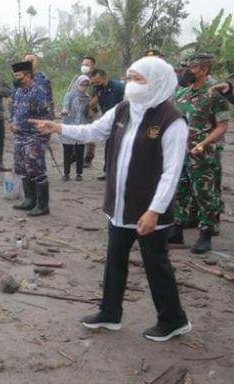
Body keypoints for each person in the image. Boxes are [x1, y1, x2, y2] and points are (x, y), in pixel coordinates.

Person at [30, 56, 191, 342]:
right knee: (114, 261)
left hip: (148, 210)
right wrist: (57, 127)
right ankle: (110, 313)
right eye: (129, 77)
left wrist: (154, 210)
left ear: (157, 82)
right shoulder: (123, 109)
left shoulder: (172, 121)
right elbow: (93, 130)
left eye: (138, 79)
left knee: (156, 265)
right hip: (119, 205)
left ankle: (173, 320)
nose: (131, 84)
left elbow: (171, 172)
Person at [170, 53, 229, 254]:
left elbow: (222, 127)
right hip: (181, 152)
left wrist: (204, 142)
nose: (186, 71)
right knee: (180, 190)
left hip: (203, 153)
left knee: (204, 193)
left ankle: (206, 235)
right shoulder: (181, 95)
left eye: (191, 67)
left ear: (204, 70)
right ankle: (176, 229)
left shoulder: (214, 95)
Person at [10, 60, 52, 216]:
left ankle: (42, 205)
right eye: (14, 75)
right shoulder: (19, 91)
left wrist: (43, 135)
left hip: (35, 137)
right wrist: (13, 123)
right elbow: (14, 110)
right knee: (22, 168)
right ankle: (29, 200)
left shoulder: (38, 91)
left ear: (28, 76)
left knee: (36, 169)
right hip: (20, 137)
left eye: (18, 75)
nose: (16, 78)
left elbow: (46, 115)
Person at [88, 68, 126, 180]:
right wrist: (91, 109)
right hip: (108, 120)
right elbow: (99, 102)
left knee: (120, 147)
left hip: (121, 121)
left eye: (98, 82)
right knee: (109, 146)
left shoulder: (119, 88)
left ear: (105, 77)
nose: (96, 84)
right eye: (94, 82)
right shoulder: (98, 88)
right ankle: (107, 171)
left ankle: (119, 173)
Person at [60, 75, 92, 181]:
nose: (84, 86)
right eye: (82, 84)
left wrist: (91, 113)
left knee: (80, 151)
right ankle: (66, 173)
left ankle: (79, 173)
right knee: (67, 151)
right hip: (69, 126)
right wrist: (65, 111)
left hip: (81, 127)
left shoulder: (88, 97)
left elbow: (90, 111)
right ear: (77, 83)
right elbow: (66, 105)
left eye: (86, 84)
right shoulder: (70, 95)